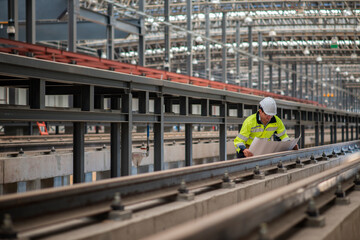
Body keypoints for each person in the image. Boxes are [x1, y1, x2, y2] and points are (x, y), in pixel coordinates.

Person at [234, 97, 298, 158]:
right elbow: (239, 141)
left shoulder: (277, 121)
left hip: (263, 150)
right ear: (260, 111)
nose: (269, 117)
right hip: (248, 152)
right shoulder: (250, 122)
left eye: (271, 115)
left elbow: (283, 136)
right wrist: (244, 150)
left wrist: (290, 145)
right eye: (267, 114)